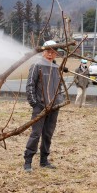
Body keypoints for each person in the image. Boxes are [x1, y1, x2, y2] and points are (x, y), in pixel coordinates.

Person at [23, 40, 64, 172]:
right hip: (40, 106)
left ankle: (44, 160)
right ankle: (28, 161)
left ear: (56, 54)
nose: (50, 54)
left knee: (48, 134)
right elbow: (30, 85)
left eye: (53, 52)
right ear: (43, 51)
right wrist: (34, 103)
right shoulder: (36, 65)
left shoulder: (56, 68)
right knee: (36, 134)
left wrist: (59, 101)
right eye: (48, 51)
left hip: (54, 107)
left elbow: (60, 87)